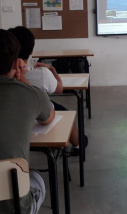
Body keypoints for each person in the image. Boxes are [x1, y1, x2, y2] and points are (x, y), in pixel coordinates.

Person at [9, 26, 87, 157]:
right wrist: (52, 69)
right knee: (66, 114)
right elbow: (59, 89)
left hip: (13, 129)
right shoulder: (42, 75)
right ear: (31, 51)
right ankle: (78, 145)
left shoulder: (6, 77)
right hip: (37, 120)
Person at [0, 29, 55, 213]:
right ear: (17, 63)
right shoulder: (31, 94)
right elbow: (48, 118)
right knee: (35, 178)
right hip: (13, 205)